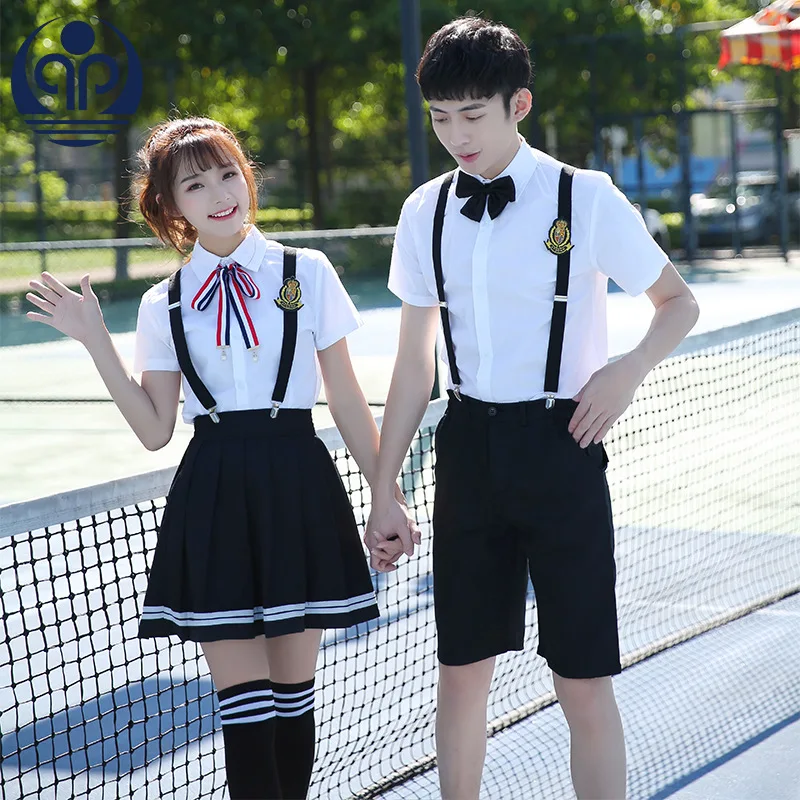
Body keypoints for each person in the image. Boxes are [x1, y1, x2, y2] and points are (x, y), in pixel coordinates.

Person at [26, 116, 413, 800]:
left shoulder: (305, 272)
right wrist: (95, 341)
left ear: (248, 178)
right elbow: (154, 430)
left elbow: (348, 400)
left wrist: (387, 494)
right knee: (245, 714)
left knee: (293, 704)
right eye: (196, 184)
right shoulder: (163, 302)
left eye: (228, 173)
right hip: (216, 495)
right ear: (170, 206)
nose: (219, 193)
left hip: (299, 482)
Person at [365, 17, 699, 800]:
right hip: (469, 450)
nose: (455, 135)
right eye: (440, 118)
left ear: (519, 105)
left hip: (562, 446)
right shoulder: (424, 211)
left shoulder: (586, 197)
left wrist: (627, 370)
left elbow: (676, 304)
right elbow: (414, 366)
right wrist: (385, 488)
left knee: (581, 682)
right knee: (460, 677)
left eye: (471, 115)